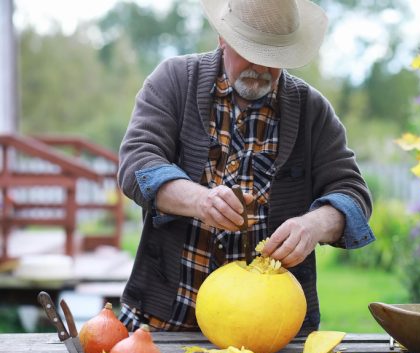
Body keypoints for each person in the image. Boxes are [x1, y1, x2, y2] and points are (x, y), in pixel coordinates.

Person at [117, 0, 375, 333]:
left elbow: (353, 195)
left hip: (275, 334)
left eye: (273, 57)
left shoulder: (312, 111)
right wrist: (200, 200)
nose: (260, 66)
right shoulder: (174, 81)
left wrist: (314, 225)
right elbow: (137, 162)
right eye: (249, 50)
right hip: (166, 321)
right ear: (223, 38)